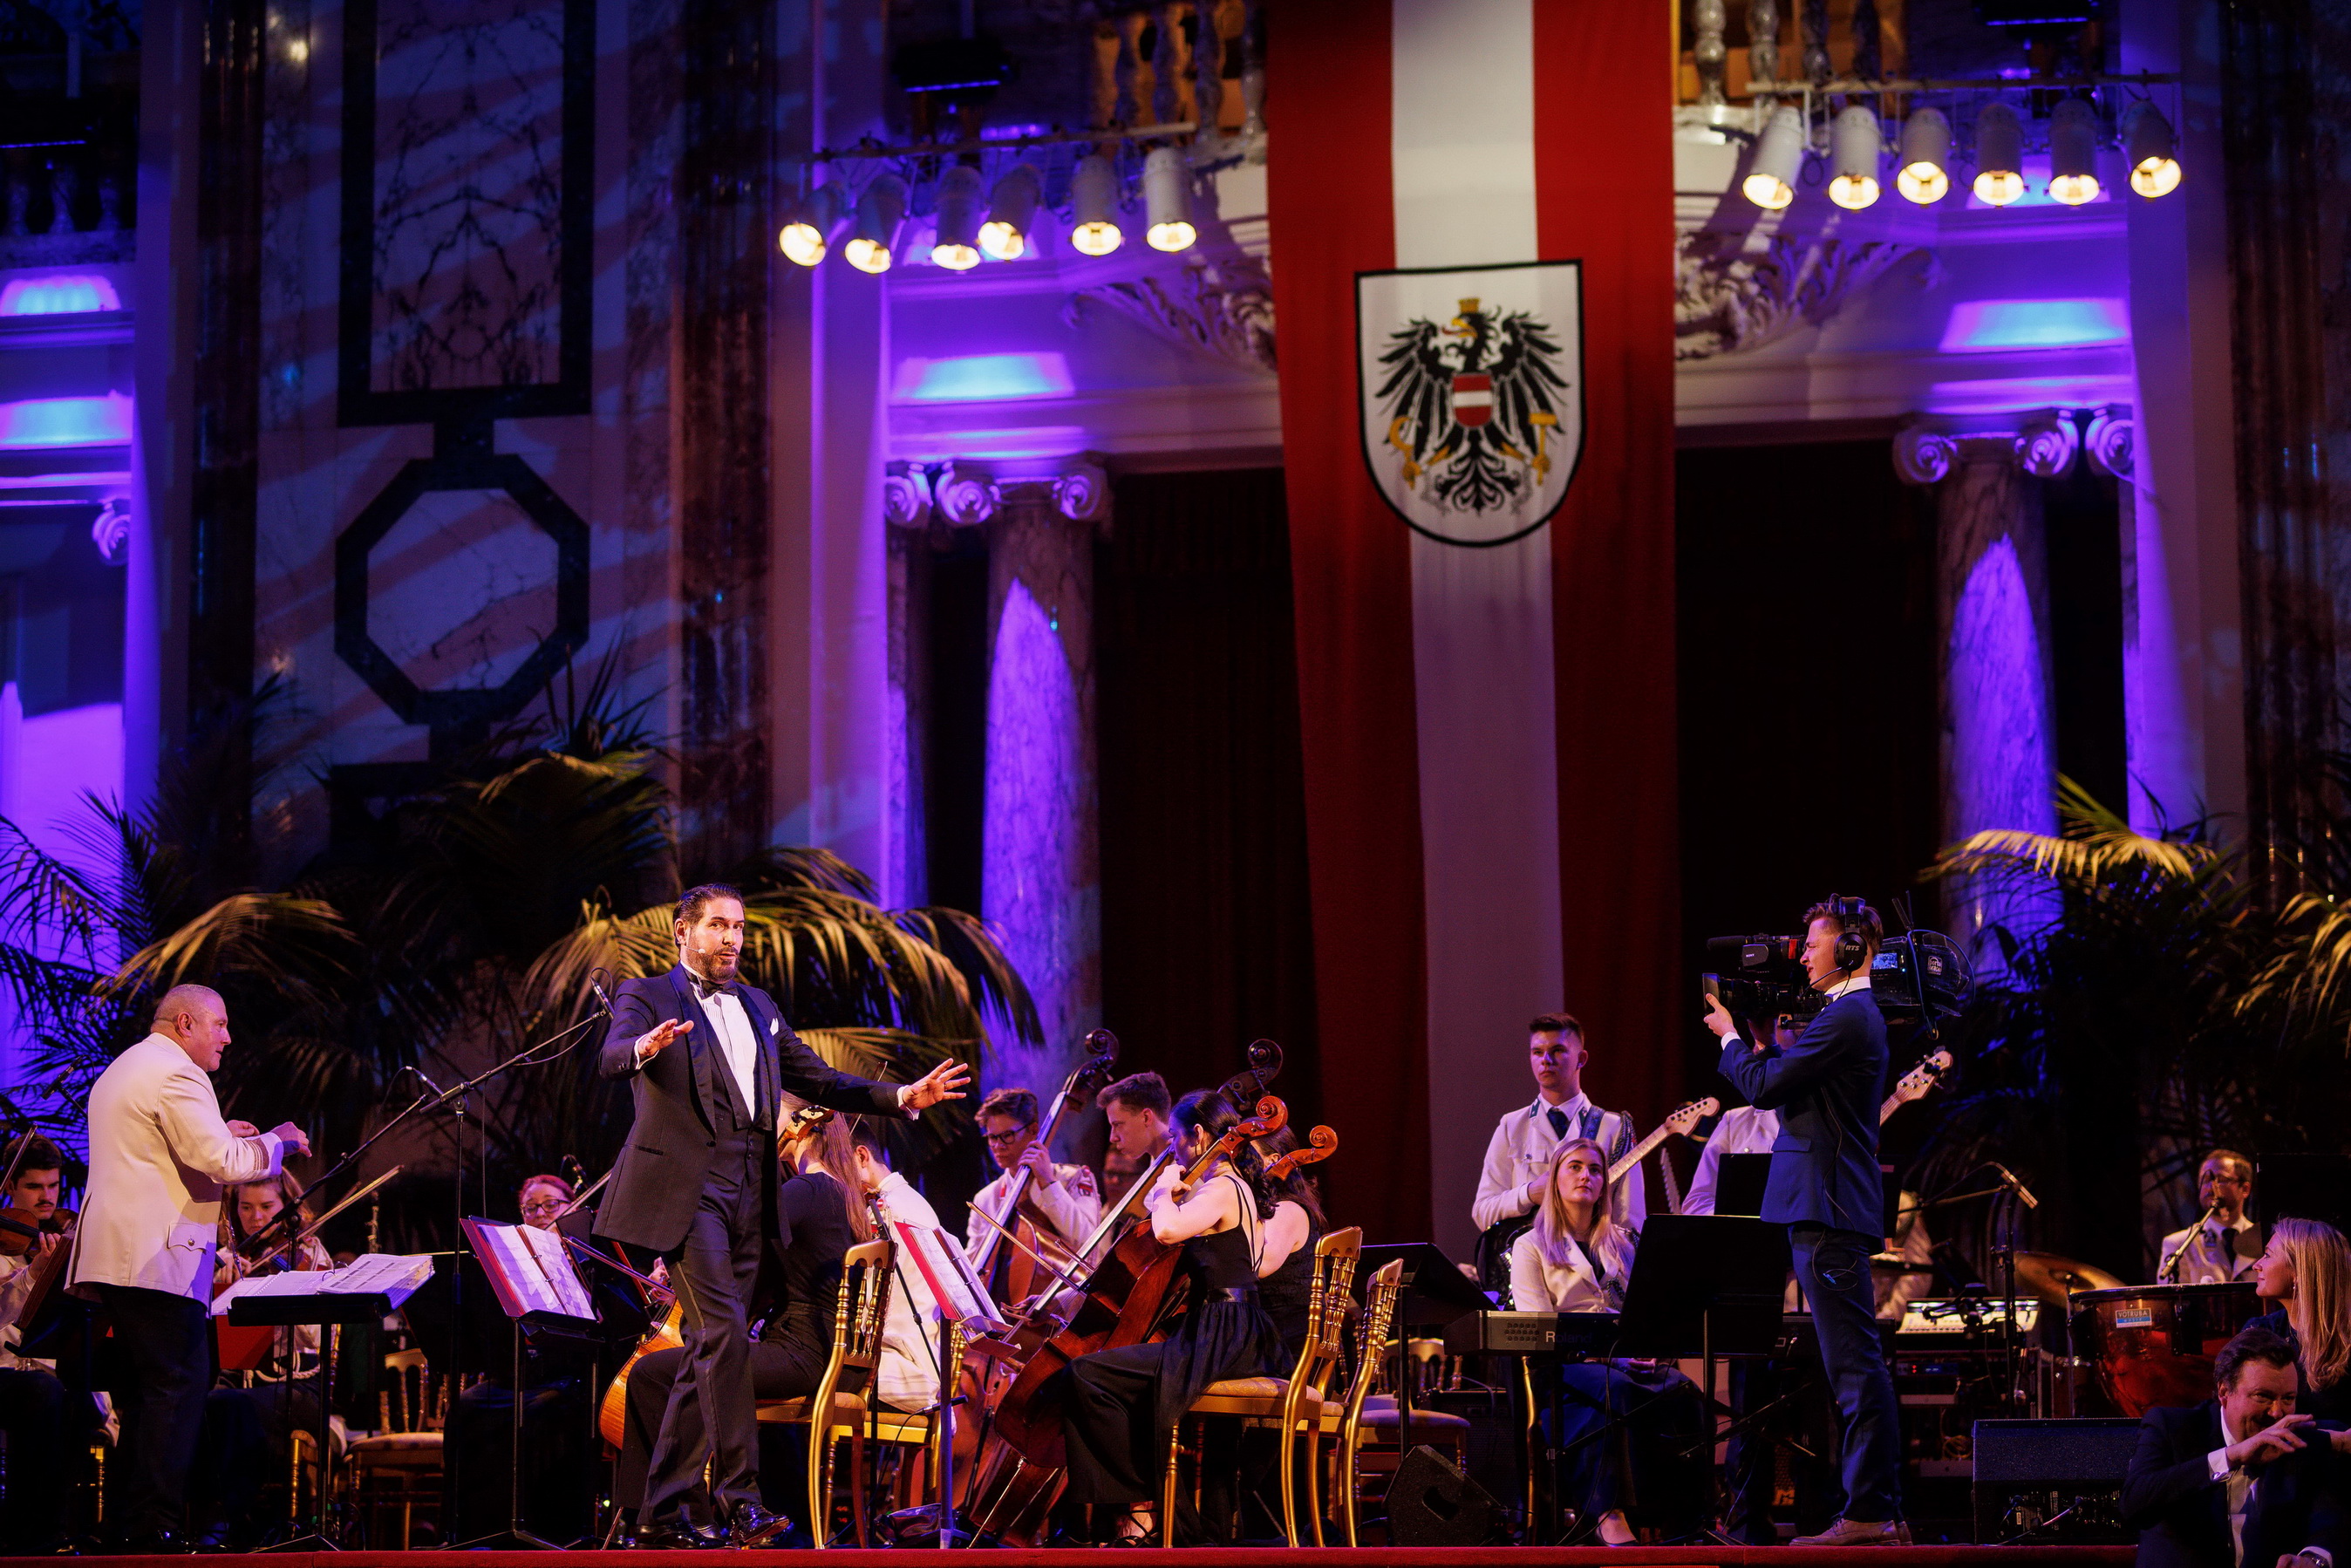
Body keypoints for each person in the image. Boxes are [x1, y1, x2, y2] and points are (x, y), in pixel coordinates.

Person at [595, 883, 969, 1549]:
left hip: (752, 1191)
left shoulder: (760, 1006)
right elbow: (611, 1054)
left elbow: (821, 1079)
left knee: (711, 1346)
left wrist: (901, 1096)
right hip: (690, 1192)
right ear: (683, 931)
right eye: (718, 925)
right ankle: (741, 1501)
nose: (732, 938)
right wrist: (645, 1049)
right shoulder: (647, 994)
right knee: (723, 1333)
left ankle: (660, 1512)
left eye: (739, 927)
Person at [66, 984, 309, 1551]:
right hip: (155, 1259)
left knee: (146, 1393)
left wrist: (225, 1134)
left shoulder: (129, 1067)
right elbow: (221, 1162)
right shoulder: (179, 1073)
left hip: (121, 1258)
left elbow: (168, 1151)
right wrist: (278, 1141)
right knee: (178, 1385)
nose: (228, 1037)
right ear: (185, 1023)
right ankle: (154, 1527)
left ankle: (127, 1527)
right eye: (218, 1024)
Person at [1705, 896, 1903, 1546]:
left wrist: (1729, 1037)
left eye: (1814, 944)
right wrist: (1761, 1046)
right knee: (1855, 1365)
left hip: (1827, 1207)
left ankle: (1870, 1514)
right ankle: (1879, 1510)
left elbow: (1763, 1089)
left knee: (1854, 1368)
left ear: (1850, 949)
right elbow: (1790, 1081)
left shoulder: (1849, 1014)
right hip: (1825, 1206)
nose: (1804, 956)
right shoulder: (1848, 1016)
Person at [616, 1107, 865, 1539]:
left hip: (801, 1354)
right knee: (690, 1364)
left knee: (652, 1373)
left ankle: (673, 1518)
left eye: (777, 1115)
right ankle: (673, 1516)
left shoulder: (805, 1190)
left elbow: (735, 1248)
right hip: (820, 1352)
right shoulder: (837, 1192)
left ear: (803, 1125)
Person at [1047, 1089, 1285, 1544]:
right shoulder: (1238, 1189)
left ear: (1198, 1135)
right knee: (1112, 1379)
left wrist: (1163, 1188)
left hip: (1220, 1331)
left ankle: (1139, 1509)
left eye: (1175, 1138)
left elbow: (1166, 1229)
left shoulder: (1222, 1188)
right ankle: (1154, 1511)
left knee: (1088, 1375)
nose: (1172, 1148)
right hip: (1237, 1328)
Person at [1507, 1140, 1704, 1546]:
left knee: (1684, 1391)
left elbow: (1645, 1314)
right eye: (1575, 1167)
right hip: (1563, 1366)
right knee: (1611, 1389)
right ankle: (1607, 1514)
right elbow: (1537, 1327)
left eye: (1595, 1170)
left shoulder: (1623, 1245)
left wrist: (1648, 1353)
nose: (1586, 1176)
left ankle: (1688, 1522)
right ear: (1554, 1179)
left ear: (1604, 1185)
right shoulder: (1530, 1245)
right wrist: (1604, 1356)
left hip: (1623, 1362)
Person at [442, 1173, 599, 1544]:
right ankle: (469, 1530)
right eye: (530, 1208)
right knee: (465, 1406)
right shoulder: (510, 1264)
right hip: (518, 1375)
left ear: (570, 1207)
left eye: (551, 1205)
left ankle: (545, 1529)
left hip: (572, 1377)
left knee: (542, 1411)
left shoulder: (587, 1260)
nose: (540, 1214)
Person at [2123, 1326, 2348, 1568]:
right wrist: (2231, 1456)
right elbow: (2134, 1504)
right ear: (2224, 1392)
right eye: (2263, 1396)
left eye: (2288, 1399)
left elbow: (2331, 1520)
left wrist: (2313, 1559)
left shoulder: (2299, 1441)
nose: (2277, 1412)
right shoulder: (2171, 1428)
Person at [197, 1170, 334, 1546]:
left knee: (229, 1407)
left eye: (267, 1207)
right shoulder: (225, 1257)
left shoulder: (308, 1253)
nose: (256, 1218)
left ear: (288, 1206)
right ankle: (207, 1519)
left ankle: (223, 1519)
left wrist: (264, 1288)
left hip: (299, 1388)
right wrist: (218, 1288)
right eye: (246, 1207)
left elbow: (315, 1334)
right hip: (238, 1384)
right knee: (202, 1408)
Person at [1472, 1013, 1646, 1296]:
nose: (1546, 1060)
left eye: (1557, 1051)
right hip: (1526, 1272)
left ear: (1581, 1059)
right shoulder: (1511, 1126)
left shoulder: (1613, 1127)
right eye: (1537, 1052)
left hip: (1593, 1282)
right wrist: (1529, 1193)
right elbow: (1483, 1212)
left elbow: (1630, 1222)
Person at [0, 1135, 84, 1552]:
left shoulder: (65, 1238)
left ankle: (87, 1529)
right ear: (10, 1186)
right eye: (34, 1187)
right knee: (41, 1393)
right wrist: (32, 1273)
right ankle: (29, 1537)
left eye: (53, 1185)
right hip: (6, 1373)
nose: (46, 1198)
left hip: (50, 1374)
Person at [844, 1116, 956, 1416]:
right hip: (918, 1363)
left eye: (836, 1167)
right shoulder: (909, 1200)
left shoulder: (886, 1212)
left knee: (809, 1371)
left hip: (904, 1373)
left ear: (862, 1157)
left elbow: (869, 1316)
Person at [966, 1087, 1100, 1300]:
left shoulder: (1073, 1178)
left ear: (1033, 1130)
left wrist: (1048, 1182)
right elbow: (972, 1264)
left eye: (1007, 1135)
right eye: (992, 1137)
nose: (998, 1146)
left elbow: (1087, 1243)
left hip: (1063, 1306)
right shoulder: (985, 1198)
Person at [2252, 1218, 2351, 1425]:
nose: (2256, 1265)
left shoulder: (2347, 1338)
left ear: (2298, 1272)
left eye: (2268, 1255)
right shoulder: (2260, 1332)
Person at [2160, 1151, 2263, 1285]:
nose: (2210, 1188)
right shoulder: (2179, 1244)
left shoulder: (2264, 1240)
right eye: (2205, 1180)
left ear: (2245, 1189)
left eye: (2220, 1180)